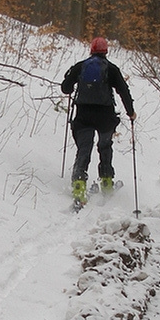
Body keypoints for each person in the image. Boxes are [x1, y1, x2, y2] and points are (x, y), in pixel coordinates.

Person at [60, 36, 135, 207]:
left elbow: (65, 88)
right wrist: (131, 112)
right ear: (106, 51)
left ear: (91, 50)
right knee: (105, 146)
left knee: (84, 149)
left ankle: (79, 186)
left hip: (84, 114)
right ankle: (107, 183)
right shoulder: (112, 69)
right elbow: (123, 91)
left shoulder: (80, 66)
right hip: (105, 117)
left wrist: (73, 84)